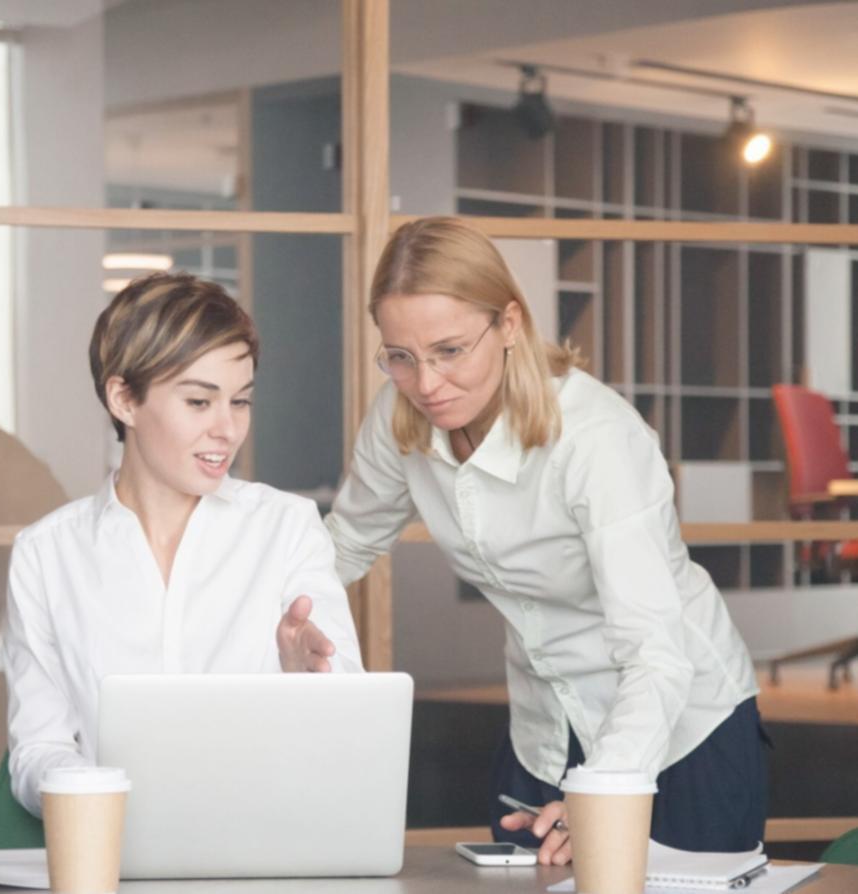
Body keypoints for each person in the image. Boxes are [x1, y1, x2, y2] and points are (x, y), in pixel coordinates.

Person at [325, 217, 764, 863]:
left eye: (450, 350)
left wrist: (604, 794)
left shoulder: (595, 440)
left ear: (509, 323)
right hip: (545, 728)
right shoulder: (400, 419)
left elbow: (655, 653)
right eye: (401, 357)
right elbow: (344, 545)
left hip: (678, 726)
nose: (427, 384)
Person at [1, 273, 363, 816]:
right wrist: (108, 797)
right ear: (124, 399)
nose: (228, 429)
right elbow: (37, 749)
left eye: (240, 401)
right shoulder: (46, 556)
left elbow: (352, 730)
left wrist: (304, 681)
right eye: (199, 401)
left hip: (261, 841)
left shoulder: (286, 528)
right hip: (114, 846)